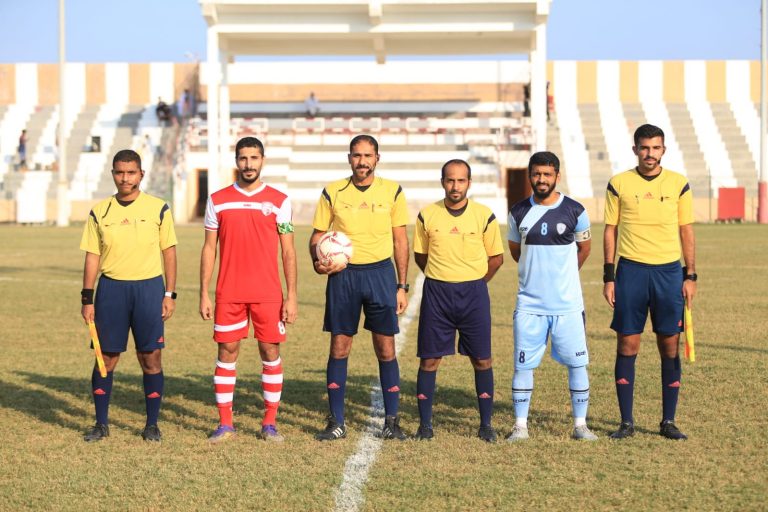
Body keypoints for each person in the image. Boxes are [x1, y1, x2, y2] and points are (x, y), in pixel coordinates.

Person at [310, 134, 409, 441]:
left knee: (386, 348)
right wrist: (317, 261)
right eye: (356, 155)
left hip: (380, 274)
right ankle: (336, 421)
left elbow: (400, 241)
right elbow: (316, 237)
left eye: (367, 155)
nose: (362, 161)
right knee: (339, 346)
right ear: (349, 158)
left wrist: (401, 286)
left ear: (377, 158)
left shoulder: (393, 191)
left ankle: (391, 421)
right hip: (344, 276)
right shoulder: (332, 192)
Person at [200, 136, 297, 443]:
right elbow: (209, 248)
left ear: (262, 160)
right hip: (229, 293)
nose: (248, 164)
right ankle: (225, 423)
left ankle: (270, 423)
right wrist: (204, 293)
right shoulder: (217, 200)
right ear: (236, 161)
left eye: (254, 158)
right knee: (226, 352)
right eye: (243, 158)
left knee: (270, 351)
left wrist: (292, 296)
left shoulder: (280, 201)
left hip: (268, 293)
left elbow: (288, 251)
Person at [603, 124, 696, 441]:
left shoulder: (679, 183)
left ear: (663, 150)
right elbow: (610, 229)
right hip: (631, 272)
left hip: (669, 273)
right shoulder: (619, 183)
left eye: (655, 148)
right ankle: (626, 422)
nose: (650, 153)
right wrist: (609, 276)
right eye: (644, 147)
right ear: (635, 150)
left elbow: (686, 231)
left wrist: (690, 275)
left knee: (669, 345)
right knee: (627, 344)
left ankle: (668, 421)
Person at [79, 149, 177, 442]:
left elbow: (169, 252)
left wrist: (169, 293)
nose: (125, 178)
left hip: (149, 289)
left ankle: (152, 425)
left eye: (131, 172)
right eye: (120, 172)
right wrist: (87, 299)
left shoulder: (158, 208)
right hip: (111, 290)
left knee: (151, 357)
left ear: (141, 174)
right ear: (113, 174)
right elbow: (92, 256)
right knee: (105, 358)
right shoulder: (100, 211)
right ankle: (101, 424)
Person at [506, 151, 597, 442]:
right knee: (523, 364)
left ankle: (580, 425)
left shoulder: (575, 210)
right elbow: (516, 252)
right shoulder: (518, 212)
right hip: (529, 305)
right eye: (536, 174)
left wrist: (564, 275)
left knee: (577, 363)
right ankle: (520, 426)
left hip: (567, 305)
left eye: (547, 174)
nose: (541, 179)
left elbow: (584, 249)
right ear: (530, 176)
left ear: (557, 176)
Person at [413, 159, 504, 442]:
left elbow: (496, 258)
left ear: (469, 183)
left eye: (461, 180)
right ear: (443, 182)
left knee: (482, 359)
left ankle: (485, 424)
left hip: (474, 294)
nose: (455, 186)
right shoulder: (427, 215)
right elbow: (421, 256)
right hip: (437, 294)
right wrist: (444, 276)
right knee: (429, 360)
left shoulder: (484, 215)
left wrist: (475, 282)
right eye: (450, 180)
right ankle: (425, 425)